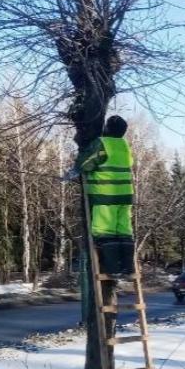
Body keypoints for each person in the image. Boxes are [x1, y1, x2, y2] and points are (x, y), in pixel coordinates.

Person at [79, 115, 135, 274]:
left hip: (105, 194)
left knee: (105, 231)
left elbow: (85, 164)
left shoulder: (103, 144)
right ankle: (128, 268)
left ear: (107, 128)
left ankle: (112, 268)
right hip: (125, 194)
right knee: (124, 230)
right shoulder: (125, 146)